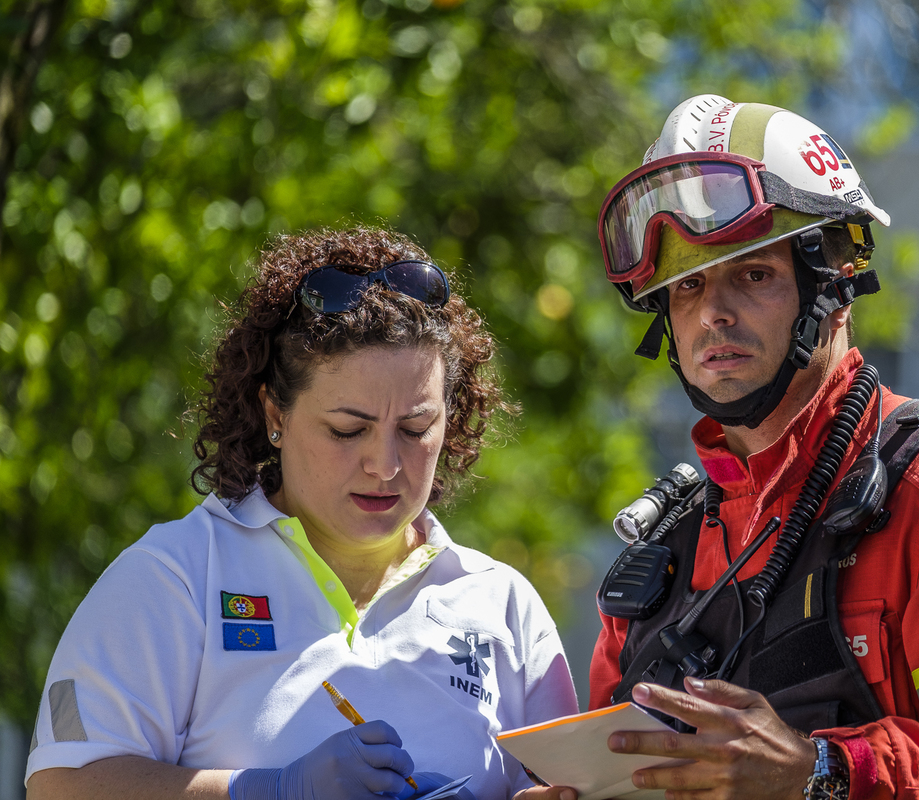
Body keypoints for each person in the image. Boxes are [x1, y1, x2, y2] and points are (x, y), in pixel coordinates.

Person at [587, 95, 919, 799]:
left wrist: (826, 775)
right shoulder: (660, 562)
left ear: (833, 286)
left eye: (753, 274)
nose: (713, 312)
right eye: (687, 286)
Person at [25, 226, 578, 800]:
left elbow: (568, 786)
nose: (385, 465)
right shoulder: (176, 578)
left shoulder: (504, 605)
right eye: (348, 429)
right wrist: (274, 790)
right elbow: (61, 784)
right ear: (275, 415)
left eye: (416, 429)